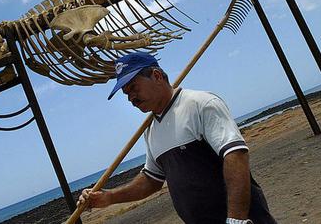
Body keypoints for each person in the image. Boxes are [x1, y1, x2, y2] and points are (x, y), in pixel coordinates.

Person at [78, 52, 276, 224]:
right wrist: (109, 198)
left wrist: (236, 219)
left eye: (133, 87)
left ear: (156, 76)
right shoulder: (150, 130)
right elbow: (151, 180)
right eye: (126, 93)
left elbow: (236, 155)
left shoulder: (200, 103)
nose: (131, 98)